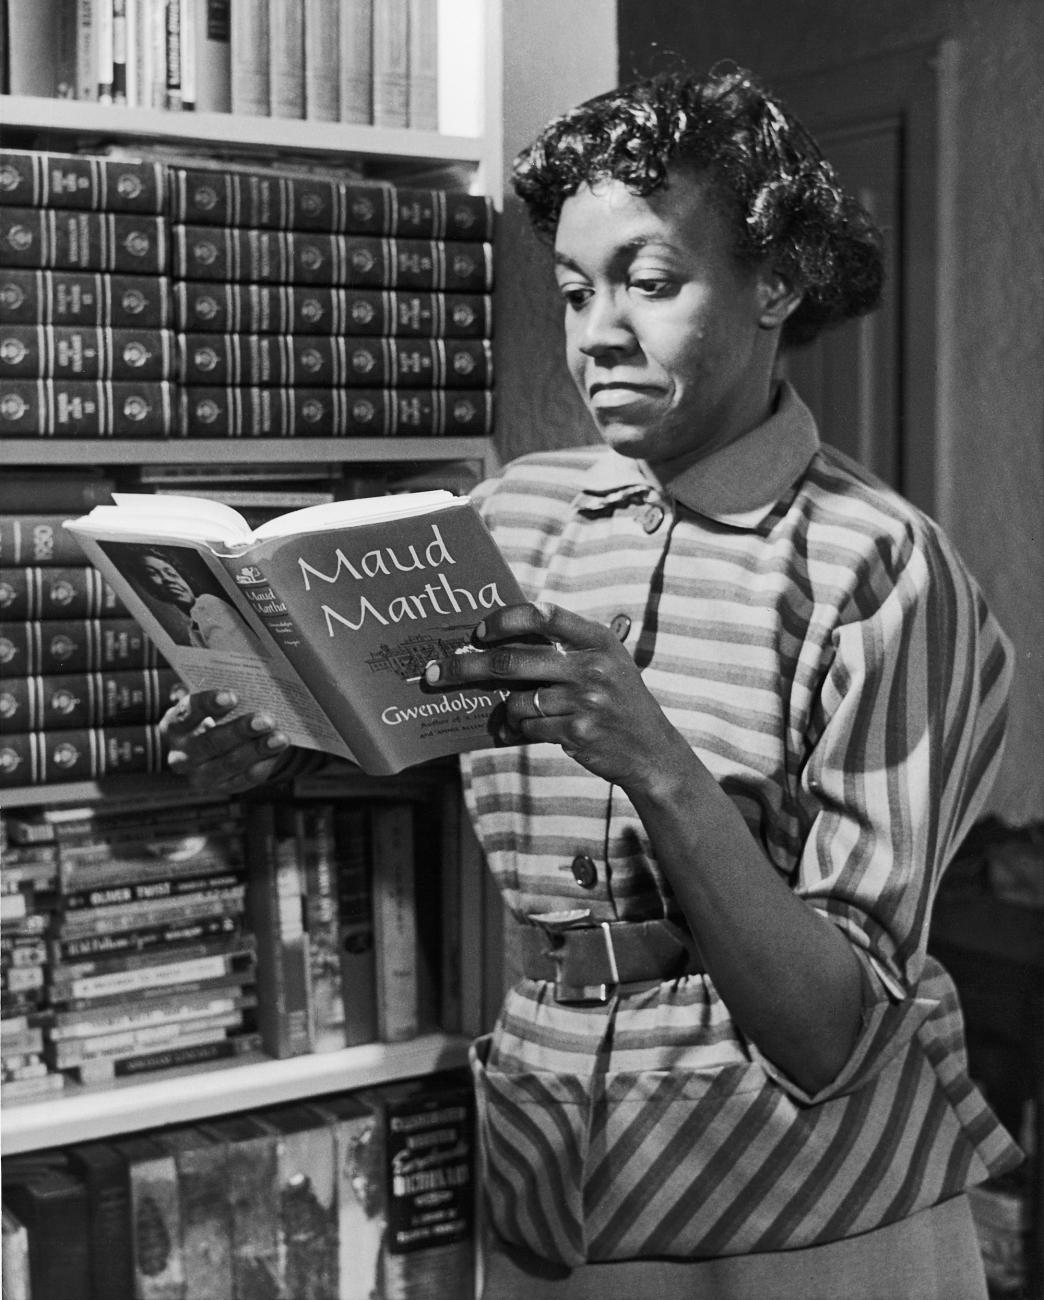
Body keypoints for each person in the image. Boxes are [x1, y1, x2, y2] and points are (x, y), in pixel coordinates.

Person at [162, 67, 1021, 1299]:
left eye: (651, 282)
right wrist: (267, 737)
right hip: (552, 1176)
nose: (597, 331)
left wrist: (655, 759)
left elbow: (836, 1034)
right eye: (574, 290)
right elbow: (394, 718)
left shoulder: (881, 565)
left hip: (815, 1209)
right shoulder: (508, 519)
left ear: (776, 283)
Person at [121, 544, 259, 654]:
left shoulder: (208, 605)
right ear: (151, 589)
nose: (168, 579)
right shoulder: (192, 627)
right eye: (153, 574)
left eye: (170, 572)